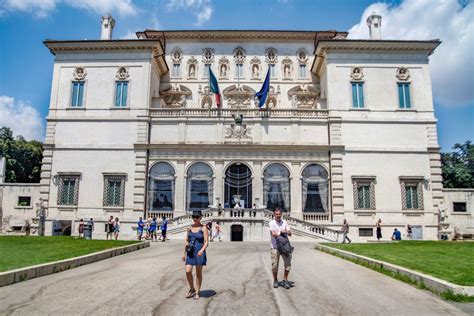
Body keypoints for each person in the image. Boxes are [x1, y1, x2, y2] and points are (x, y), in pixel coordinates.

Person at [182, 210, 209, 300]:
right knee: (188, 271)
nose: (195, 219)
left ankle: (197, 291)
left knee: (198, 273)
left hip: (199, 252)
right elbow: (187, 240)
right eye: (193, 217)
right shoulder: (189, 228)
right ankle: (192, 289)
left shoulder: (204, 228)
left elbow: (206, 242)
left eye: (197, 217)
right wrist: (183, 253)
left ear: (201, 217)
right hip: (190, 252)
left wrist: (202, 250)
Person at [269, 208, 292, 289]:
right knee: (274, 266)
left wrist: (287, 231)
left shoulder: (284, 222)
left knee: (288, 264)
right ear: (274, 215)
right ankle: (275, 280)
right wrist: (281, 232)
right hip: (275, 247)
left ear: (281, 214)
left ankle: (285, 280)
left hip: (285, 247)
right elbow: (273, 234)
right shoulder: (271, 223)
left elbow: (290, 233)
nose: (278, 215)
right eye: (277, 214)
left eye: (279, 214)